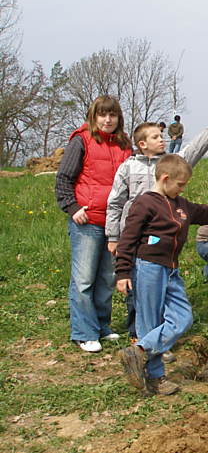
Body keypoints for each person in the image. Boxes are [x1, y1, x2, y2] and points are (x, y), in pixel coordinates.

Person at [106, 107, 208, 344]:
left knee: (180, 318)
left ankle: (145, 348)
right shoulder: (131, 172)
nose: (162, 139)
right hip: (143, 257)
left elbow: (202, 211)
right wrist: (119, 259)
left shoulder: (175, 174)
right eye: (156, 136)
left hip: (169, 264)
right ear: (142, 143)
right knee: (142, 311)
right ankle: (144, 354)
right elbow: (116, 206)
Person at [116, 154, 208, 395]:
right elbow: (127, 239)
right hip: (148, 267)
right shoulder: (145, 203)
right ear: (166, 178)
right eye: (180, 184)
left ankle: (139, 351)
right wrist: (123, 272)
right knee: (151, 323)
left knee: (182, 318)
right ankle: (155, 380)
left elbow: (205, 212)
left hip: (171, 271)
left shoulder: (181, 205)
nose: (182, 189)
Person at [55, 95, 133, 353]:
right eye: (103, 115)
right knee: (84, 279)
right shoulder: (81, 141)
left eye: (112, 115)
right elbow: (64, 178)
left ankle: (102, 326)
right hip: (87, 221)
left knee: (106, 278)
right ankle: (83, 332)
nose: (108, 120)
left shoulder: (124, 144)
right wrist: (72, 207)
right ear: (94, 116)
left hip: (114, 224)